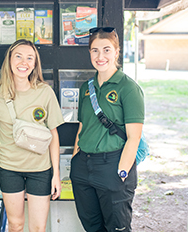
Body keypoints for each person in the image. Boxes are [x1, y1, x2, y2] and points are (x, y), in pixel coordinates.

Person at [69, 27, 145, 232]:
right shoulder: (86, 87)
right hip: (83, 166)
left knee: (117, 228)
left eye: (106, 50)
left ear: (117, 51)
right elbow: (83, 126)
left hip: (113, 164)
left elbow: (134, 137)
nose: (100, 56)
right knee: (92, 227)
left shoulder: (128, 88)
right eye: (94, 50)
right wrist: (76, 160)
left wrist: (121, 171)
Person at [0, 39, 64, 232]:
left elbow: (53, 134)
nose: (24, 62)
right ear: (9, 60)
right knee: (15, 224)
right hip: (9, 168)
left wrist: (56, 175)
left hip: (40, 170)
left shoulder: (45, 92)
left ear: (35, 63)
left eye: (30, 58)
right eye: (18, 56)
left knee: (38, 228)